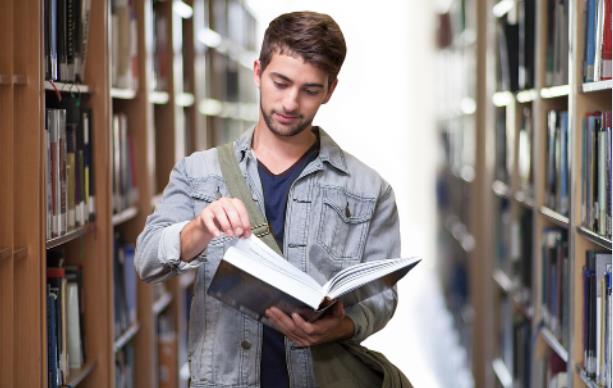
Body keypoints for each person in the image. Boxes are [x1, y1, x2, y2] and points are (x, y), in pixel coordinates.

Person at [135, 11, 401, 388]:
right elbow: (146, 261)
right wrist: (198, 228)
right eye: (281, 82)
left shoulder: (370, 190)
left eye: (310, 89)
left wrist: (341, 326)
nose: (291, 102)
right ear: (258, 72)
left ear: (330, 90)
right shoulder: (199, 173)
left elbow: (382, 298)